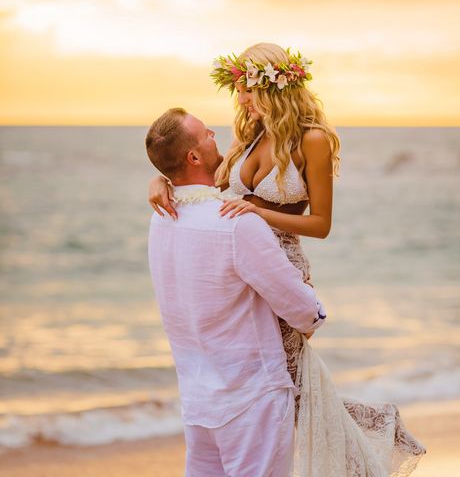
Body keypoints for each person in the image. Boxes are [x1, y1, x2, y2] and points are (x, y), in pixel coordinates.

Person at [148, 43, 426, 476]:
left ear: (273, 88)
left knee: (276, 392)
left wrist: (260, 213)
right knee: (266, 392)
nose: (239, 100)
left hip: (282, 268)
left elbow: (321, 223)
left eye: (246, 90)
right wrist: (162, 179)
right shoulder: (249, 134)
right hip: (241, 269)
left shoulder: (312, 140)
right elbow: (206, 180)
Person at [145, 107, 327, 477]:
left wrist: (159, 179)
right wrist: (314, 313)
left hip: (198, 397)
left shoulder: (160, 216)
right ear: (194, 157)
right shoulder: (236, 223)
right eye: (206, 134)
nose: (215, 133)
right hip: (251, 398)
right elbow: (299, 306)